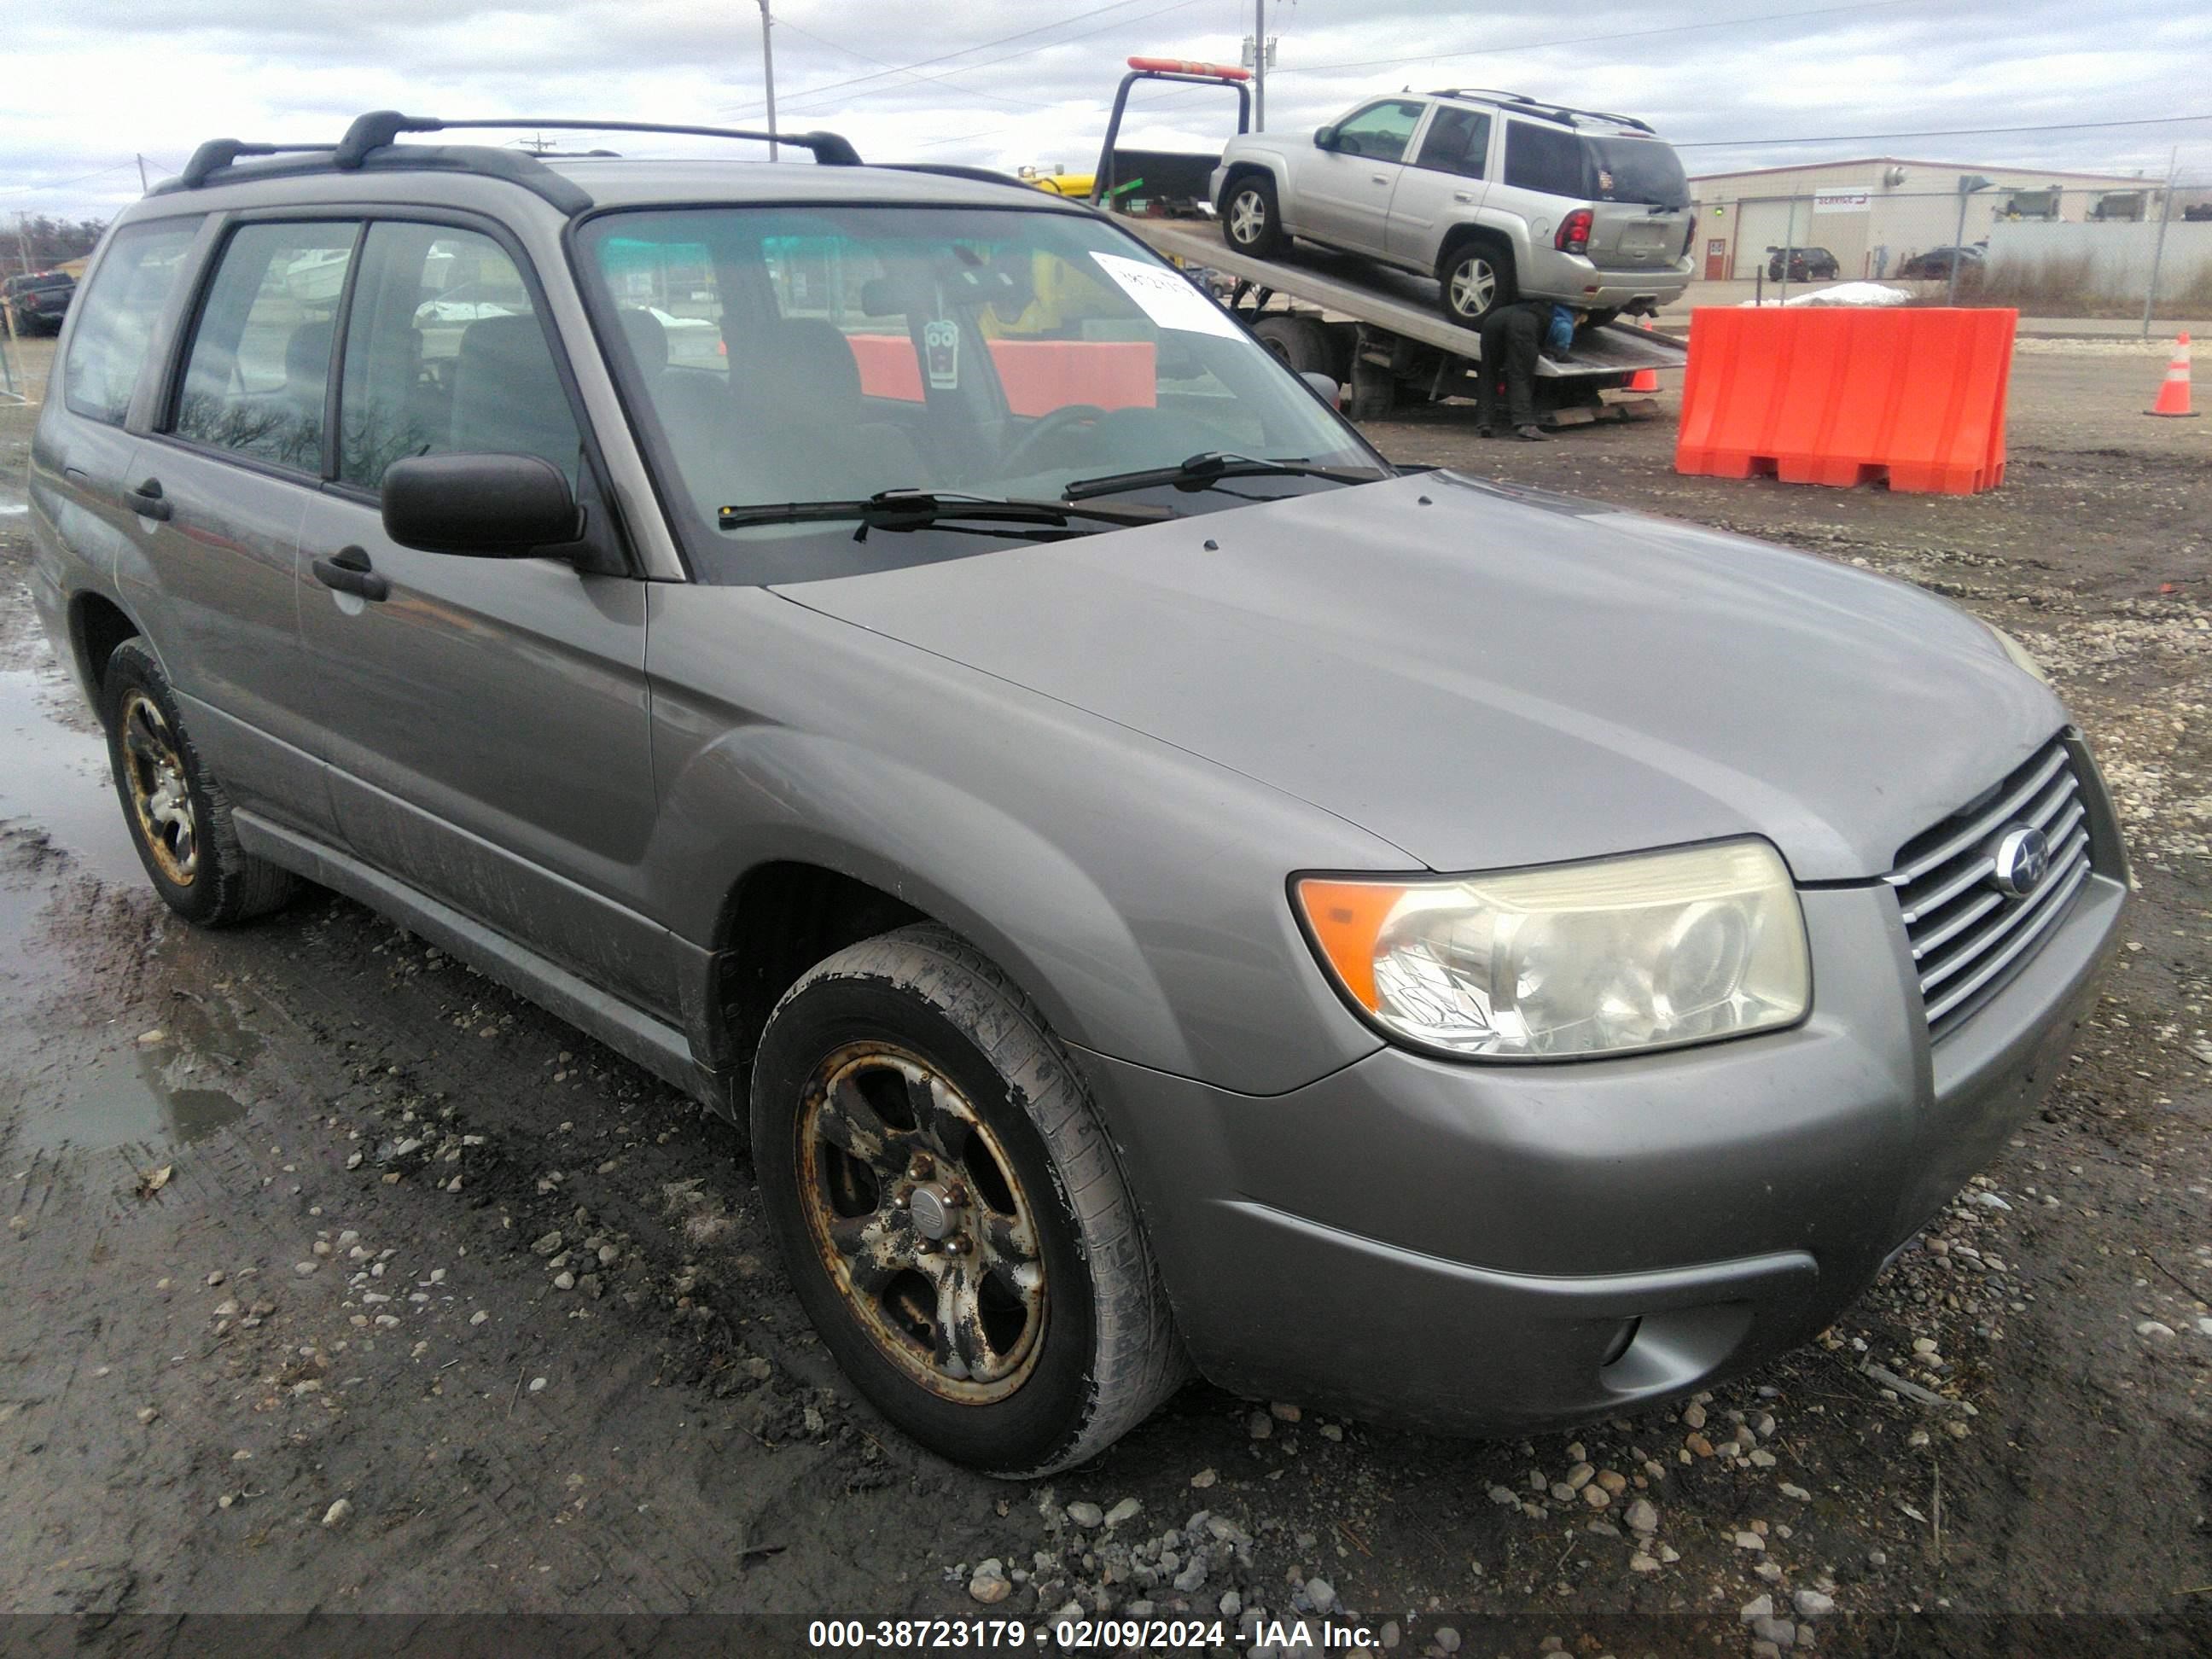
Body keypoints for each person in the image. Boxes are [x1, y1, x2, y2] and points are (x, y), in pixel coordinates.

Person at [1475, 298, 1568, 440]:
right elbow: (1562, 336)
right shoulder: (1566, 315)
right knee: (1520, 374)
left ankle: (1485, 423)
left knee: (1488, 372)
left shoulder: (1527, 303)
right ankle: (1525, 423)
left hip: (1493, 320)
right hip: (1523, 324)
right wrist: (1557, 353)